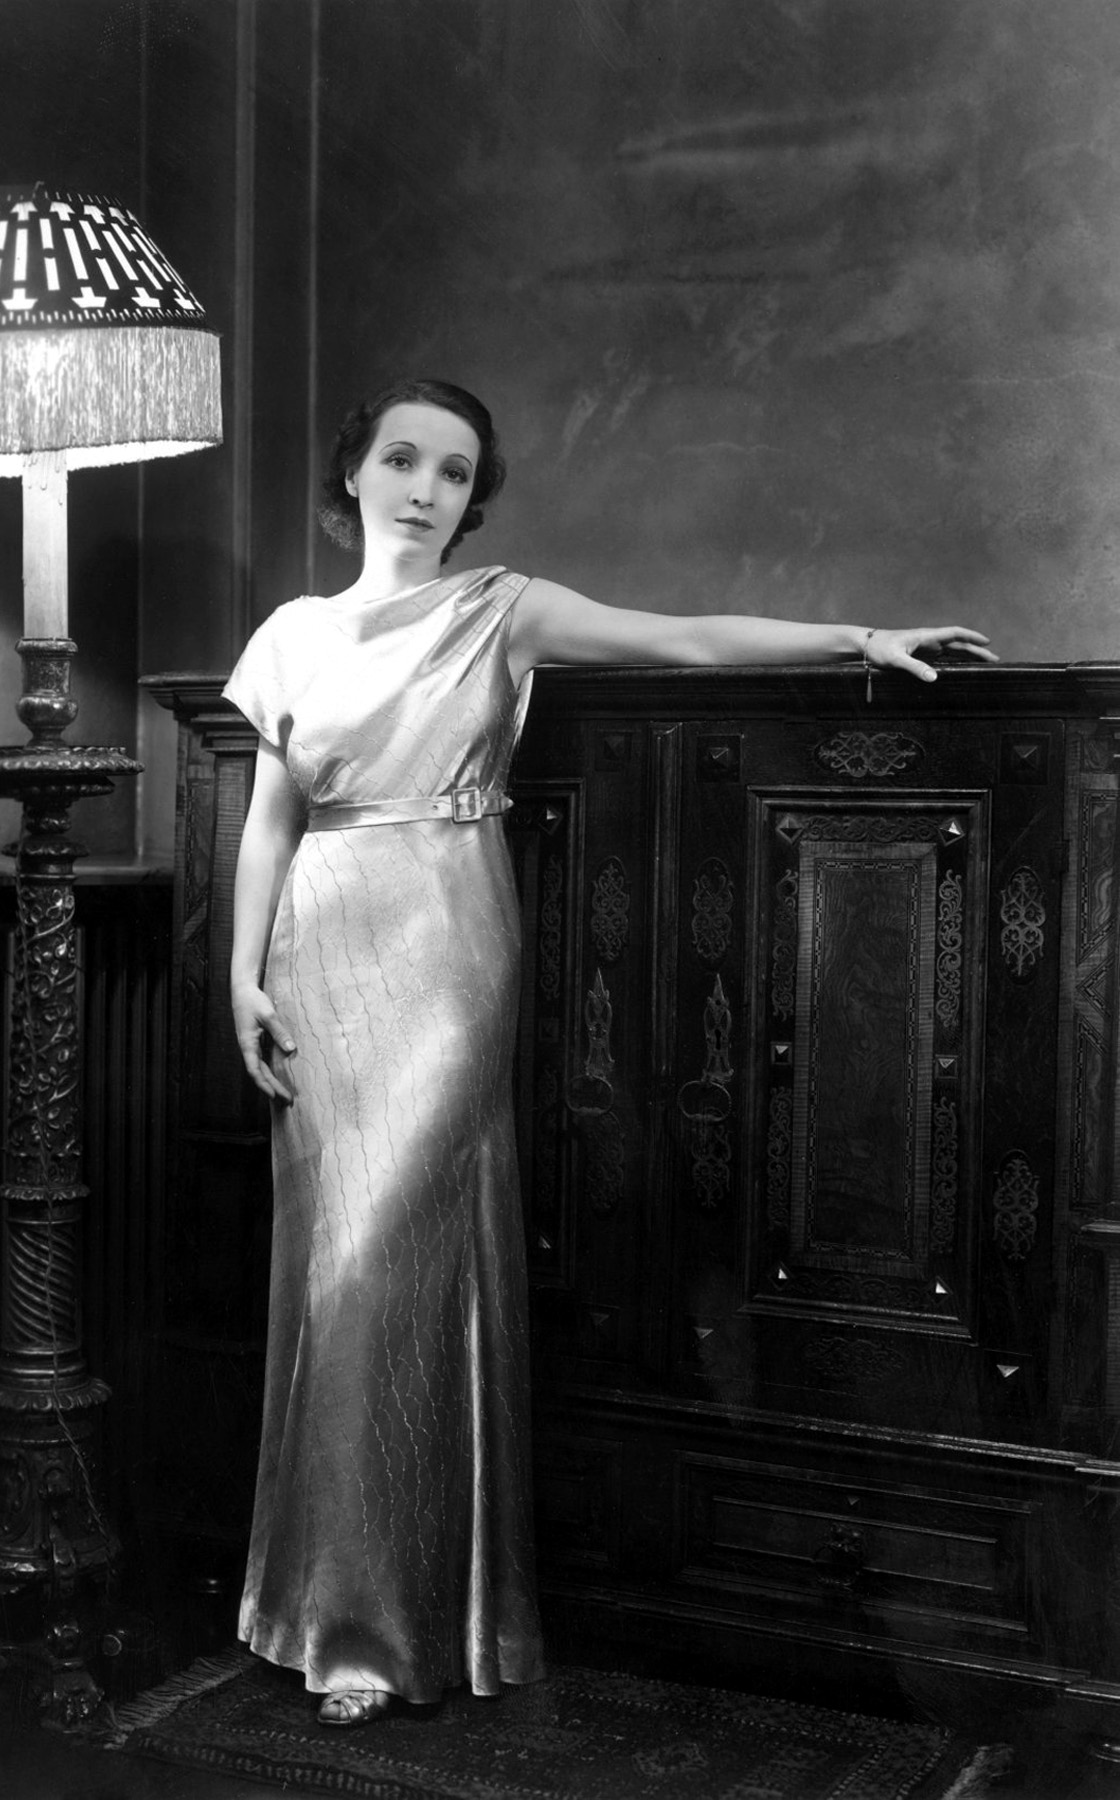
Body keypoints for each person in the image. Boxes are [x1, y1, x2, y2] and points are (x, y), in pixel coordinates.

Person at [222, 378, 995, 1729]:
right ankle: (317, 1605)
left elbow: (682, 639)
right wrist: (241, 975)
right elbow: (270, 820)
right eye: (401, 459)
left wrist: (862, 635)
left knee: (387, 1261)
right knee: (331, 1275)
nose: (425, 489)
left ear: (472, 500)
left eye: (453, 473)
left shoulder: (499, 610)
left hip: (445, 941)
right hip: (317, 944)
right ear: (352, 473)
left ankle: (384, 1630)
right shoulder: (291, 635)